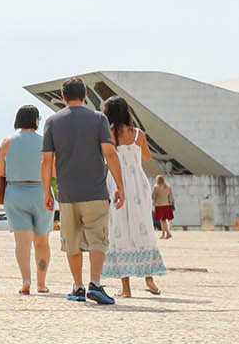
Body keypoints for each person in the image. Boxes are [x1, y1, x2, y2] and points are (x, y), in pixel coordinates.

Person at [40, 78, 125, 305]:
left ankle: (77, 287)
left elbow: (46, 160)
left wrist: (47, 191)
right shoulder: (98, 119)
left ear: (63, 96)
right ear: (85, 95)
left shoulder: (52, 122)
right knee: (98, 239)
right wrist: (120, 186)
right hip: (95, 191)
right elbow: (109, 153)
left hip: (67, 193)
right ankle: (95, 284)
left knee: (72, 241)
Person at [101, 97, 166, 296]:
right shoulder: (138, 134)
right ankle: (149, 279)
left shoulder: (108, 134)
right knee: (143, 225)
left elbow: (105, 156)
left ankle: (126, 287)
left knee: (120, 228)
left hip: (117, 181)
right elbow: (147, 156)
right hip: (138, 182)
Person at [0, 105, 52, 295]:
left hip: (16, 193)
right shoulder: (45, 142)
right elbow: (53, 171)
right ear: (36, 120)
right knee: (42, 242)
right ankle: (41, 284)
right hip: (41, 192)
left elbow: (0, 171)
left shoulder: (7, 141)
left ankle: (26, 280)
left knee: (22, 243)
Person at [152, 169, 175, 240]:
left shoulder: (156, 187)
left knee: (162, 220)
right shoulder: (168, 186)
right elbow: (171, 195)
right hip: (167, 205)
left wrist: (153, 201)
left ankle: (167, 233)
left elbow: (153, 196)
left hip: (159, 205)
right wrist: (172, 202)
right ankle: (164, 234)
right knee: (163, 220)